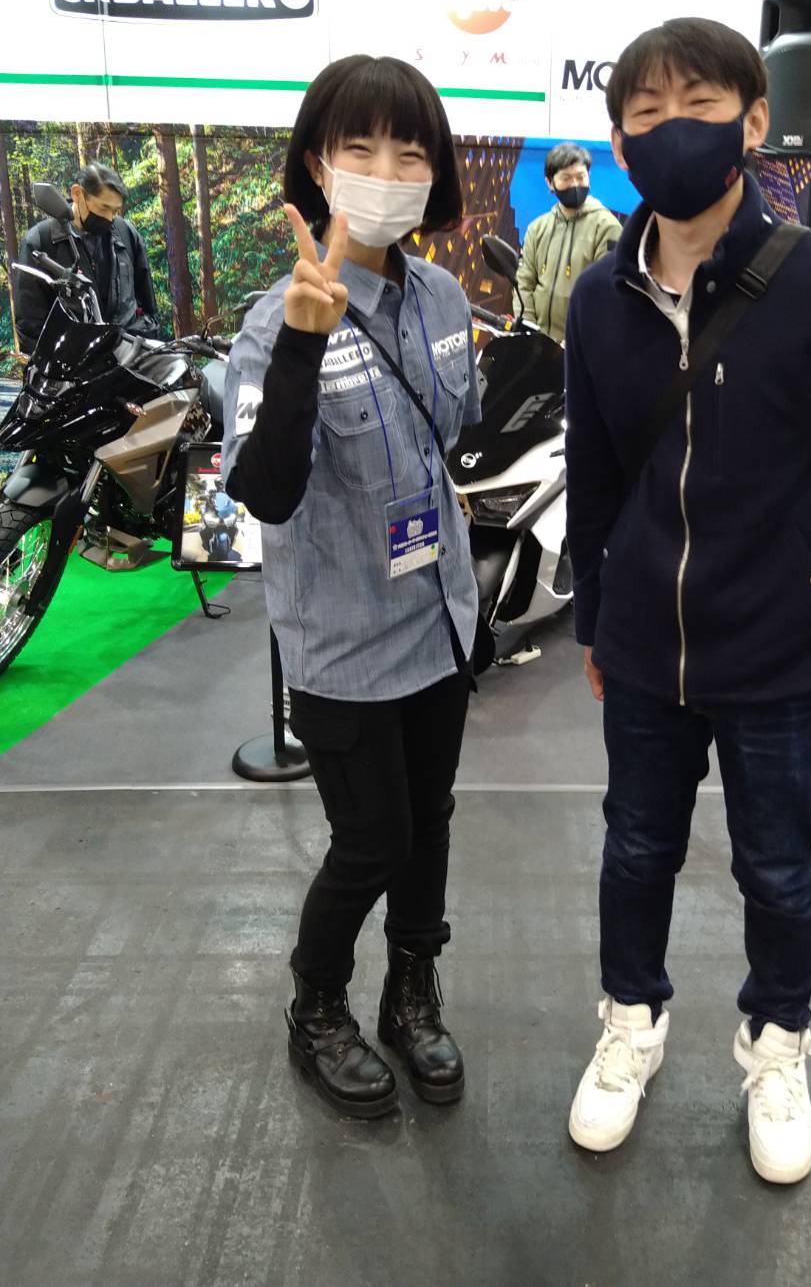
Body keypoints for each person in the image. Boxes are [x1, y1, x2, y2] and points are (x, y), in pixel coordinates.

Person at [562, 17, 811, 1183]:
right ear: (618, 141)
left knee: (779, 865)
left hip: (781, 645)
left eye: (700, 104)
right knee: (634, 848)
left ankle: (775, 1044)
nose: (674, 129)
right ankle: (630, 1021)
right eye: (646, 112)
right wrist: (595, 616)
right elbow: (596, 472)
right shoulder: (599, 298)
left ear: (754, 121)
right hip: (644, 646)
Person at [222, 54, 484, 1119]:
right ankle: (317, 1003)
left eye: (409, 152)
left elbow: (451, 436)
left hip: (440, 617)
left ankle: (411, 991)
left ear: (434, 174)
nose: (385, 170)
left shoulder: (444, 297)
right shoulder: (271, 321)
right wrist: (302, 344)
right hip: (340, 639)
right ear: (319, 165)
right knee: (371, 838)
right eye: (359, 147)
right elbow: (266, 491)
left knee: (430, 820)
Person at [14, 162, 159, 351]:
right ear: (77, 193)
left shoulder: (126, 233)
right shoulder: (40, 241)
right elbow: (30, 327)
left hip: (128, 358)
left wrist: (141, 343)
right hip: (73, 363)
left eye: (115, 211)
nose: (110, 218)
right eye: (104, 208)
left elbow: (148, 306)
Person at [516, 142, 622, 343]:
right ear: (550, 183)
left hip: (583, 346)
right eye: (566, 178)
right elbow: (524, 283)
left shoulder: (607, 228)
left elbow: (607, 294)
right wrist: (528, 331)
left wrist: (575, 343)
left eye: (580, 177)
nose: (575, 184)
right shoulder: (537, 229)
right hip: (538, 346)